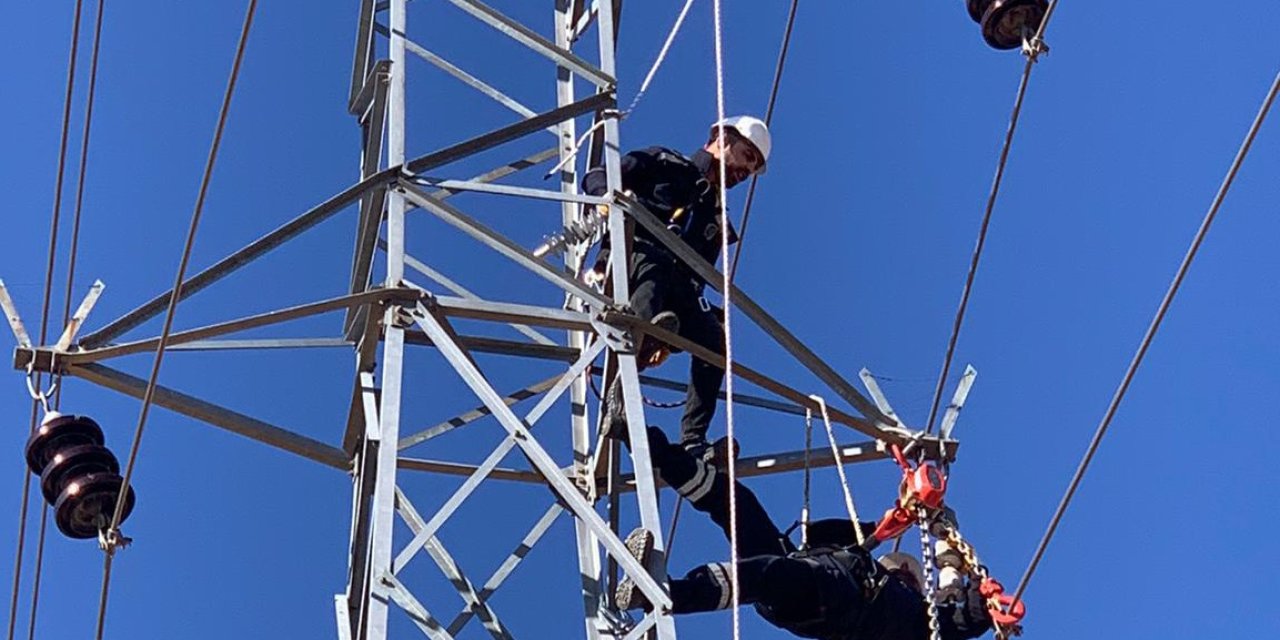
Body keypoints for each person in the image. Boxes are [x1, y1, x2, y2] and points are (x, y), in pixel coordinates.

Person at [614, 426, 994, 640]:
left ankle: (660, 593)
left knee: (766, 574)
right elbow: (840, 535)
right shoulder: (862, 559)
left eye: (906, 571)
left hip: (829, 601)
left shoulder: (916, 622)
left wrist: (986, 604)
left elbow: (957, 612)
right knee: (736, 502)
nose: (901, 571)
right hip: (805, 572)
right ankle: (644, 441)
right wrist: (907, 518)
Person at [582, 116, 771, 458]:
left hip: (674, 291)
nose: (745, 171)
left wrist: (691, 326)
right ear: (722, 138)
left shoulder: (715, 222)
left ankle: (694, 441)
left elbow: (695, 282)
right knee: (655, 274)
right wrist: (607, 198)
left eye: (753, 167)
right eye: (746, 156)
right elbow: (597, 176)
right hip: (635, 262)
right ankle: (619, 396)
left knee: (714, 341)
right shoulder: (665, 163)